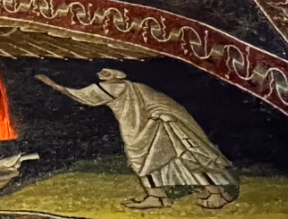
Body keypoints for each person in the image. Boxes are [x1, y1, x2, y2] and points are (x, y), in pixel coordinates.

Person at [37, 68, 238, 209]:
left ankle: (214, 193)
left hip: (153, 126)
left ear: (115, 76)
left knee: (178, 157)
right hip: (149, 125)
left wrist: (53, 85)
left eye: (105, 73)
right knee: (170, 158)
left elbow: (83, 96)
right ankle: (161, 196)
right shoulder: (136, 86)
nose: (100, 75)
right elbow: (163, 102)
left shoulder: (114, 88)